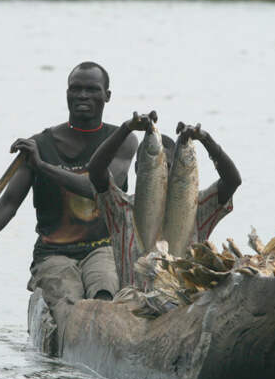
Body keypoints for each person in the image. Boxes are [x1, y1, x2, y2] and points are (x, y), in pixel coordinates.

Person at [0, 62, 138, 334]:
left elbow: (97, 188)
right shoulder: (40, 145)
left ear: (107, 96)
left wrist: (43, 167)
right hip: (54, 252)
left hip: (104, 247)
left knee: (104, 291)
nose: (82, 96)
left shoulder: (122, 141)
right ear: (66, 94)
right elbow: (7, 205)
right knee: (68, 304)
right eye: (75, 89)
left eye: (91, 89)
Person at [87, 112, 242, 288]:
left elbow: (232, 181)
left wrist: (205, 139)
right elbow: (95, 171)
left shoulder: (195, 207)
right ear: (138, 168)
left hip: (181, 301)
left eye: (169, 167)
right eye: (160, 166)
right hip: (133, 303)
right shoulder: (121, 208)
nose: (164, 173)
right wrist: (126, 128)